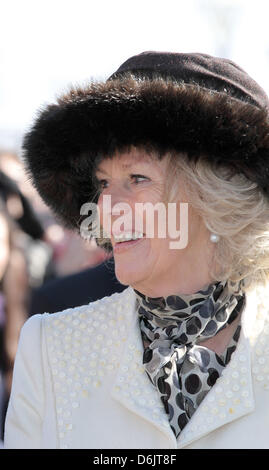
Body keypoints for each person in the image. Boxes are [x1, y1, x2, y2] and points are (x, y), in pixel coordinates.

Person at [4, 51, 269, 449]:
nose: (107, 207)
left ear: (215, 194)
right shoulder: (50, 348)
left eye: (137, 178)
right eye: (104, 183)